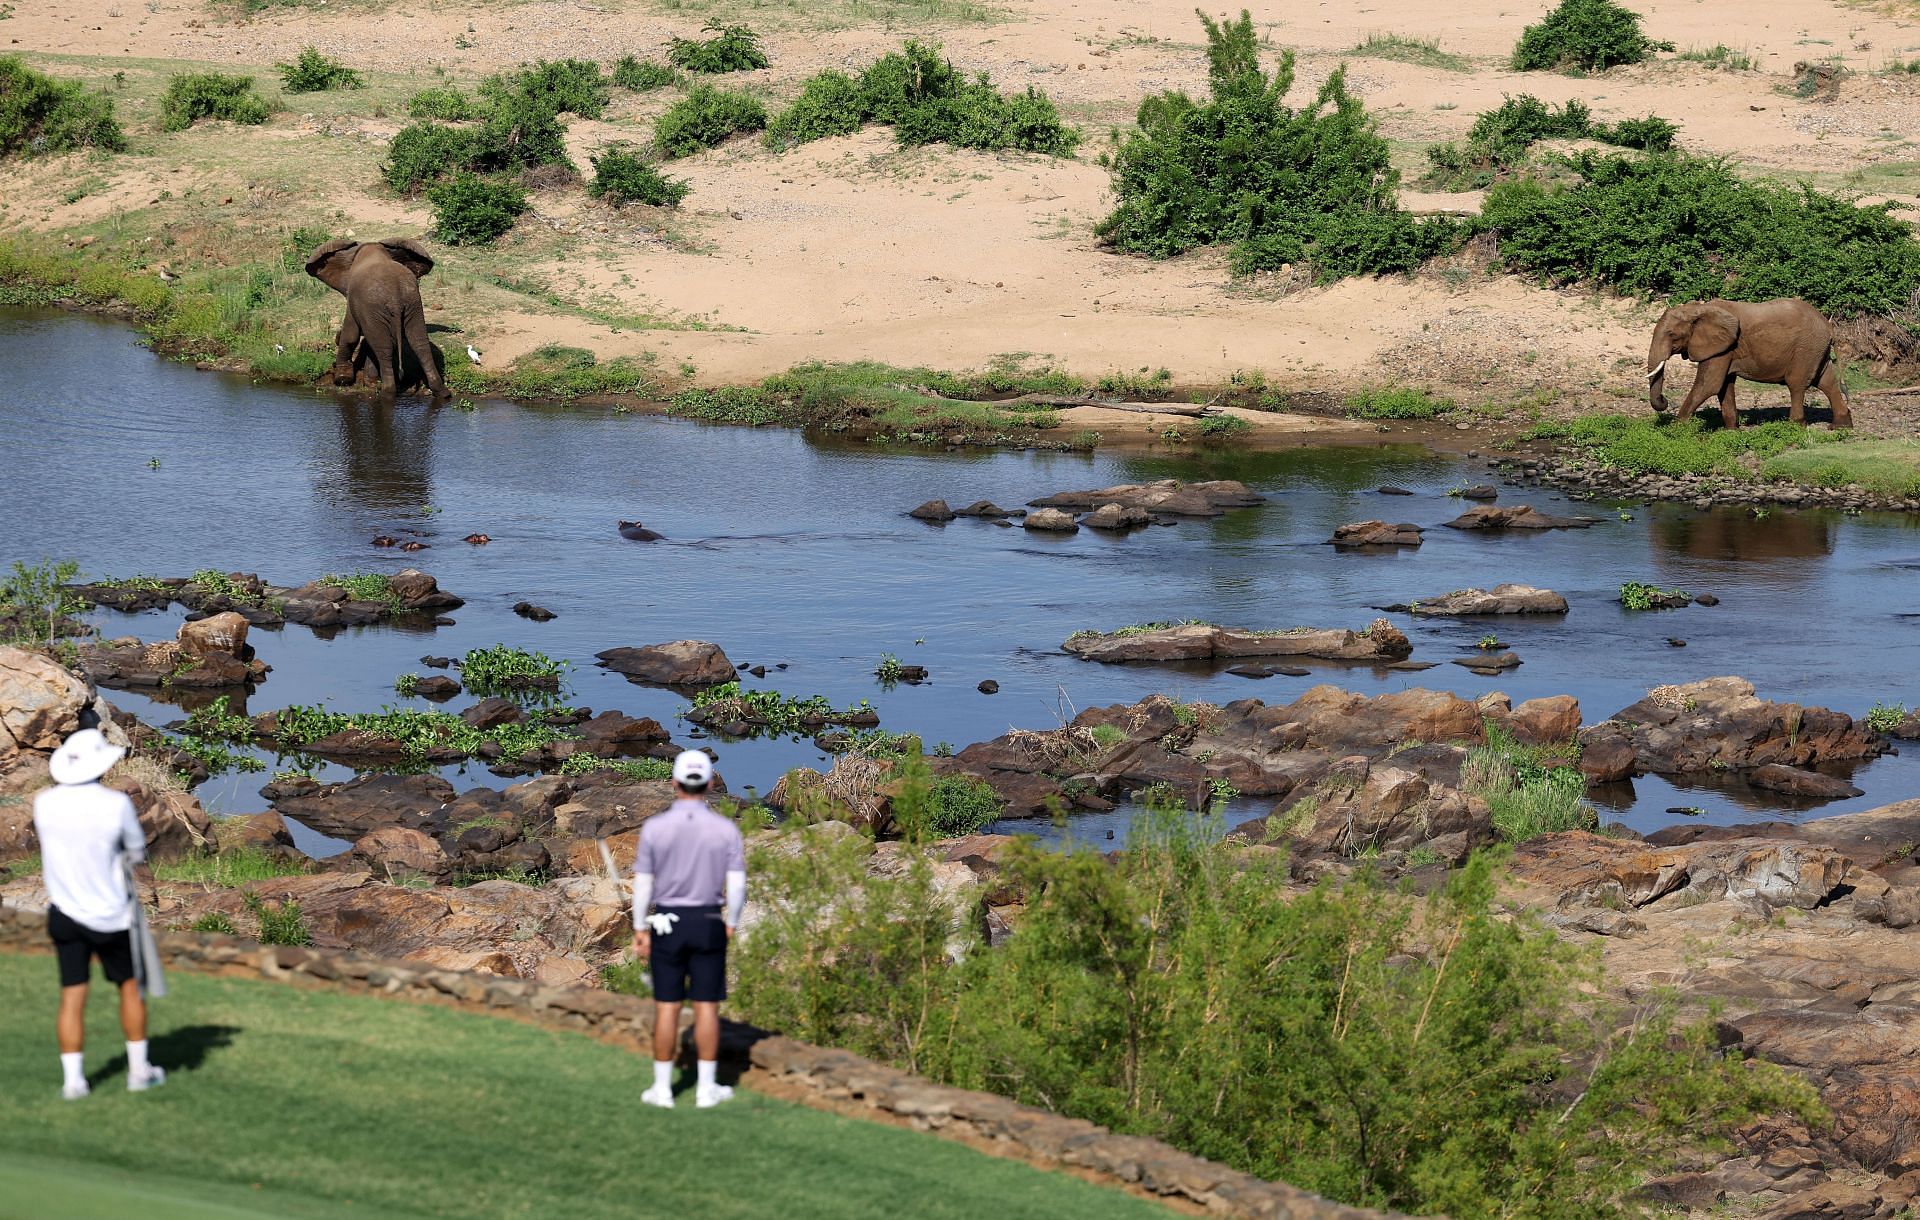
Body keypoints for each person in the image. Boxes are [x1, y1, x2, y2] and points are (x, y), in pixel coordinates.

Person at [31, 728, 166, 1100]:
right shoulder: (115, 805)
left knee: (72, 995)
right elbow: (137, 851)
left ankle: (74, 1082)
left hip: (64, 913)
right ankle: (139, 1071)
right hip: (111, 914)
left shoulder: (44, 803)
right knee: (130, 989)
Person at [632, 749, 746, 1110]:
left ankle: (663, 1090)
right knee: (706, 1008)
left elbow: (644, 886)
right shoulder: (725, 829)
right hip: (709, 920)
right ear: (710, 784)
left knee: (667, 1008)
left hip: (667, 920)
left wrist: (639, 927)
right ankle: (706, 1090)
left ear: (674, 783)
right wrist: (731, 922)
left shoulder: (655, 827)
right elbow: (738, 886)